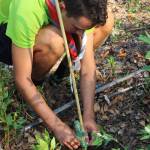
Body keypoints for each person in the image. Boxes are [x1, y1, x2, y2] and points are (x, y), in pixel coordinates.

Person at [0, 0, 114, 149]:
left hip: (53, 17)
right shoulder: (27, 8)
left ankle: (62, 72)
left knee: (107, 22)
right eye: (77, 28)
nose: (82, 34)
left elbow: (87, 67)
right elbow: (22, 79)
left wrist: (88, 116)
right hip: (7, 27)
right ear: (62, 7)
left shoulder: (82, 9)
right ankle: (35, 82)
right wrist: (57, 126)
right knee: (53, 41)